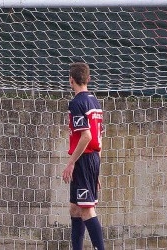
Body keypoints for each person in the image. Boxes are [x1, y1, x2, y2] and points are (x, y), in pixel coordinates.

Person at [61, 62, 105, 250]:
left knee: (87, 210)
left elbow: (86, 136)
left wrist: (71, 163)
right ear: (88, 79)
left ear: (71, 80)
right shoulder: (94, 102)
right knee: (75, 208)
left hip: (84, 160)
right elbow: (99, 138)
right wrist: (97, 171)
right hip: (92, 160)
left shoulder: (77, 103)